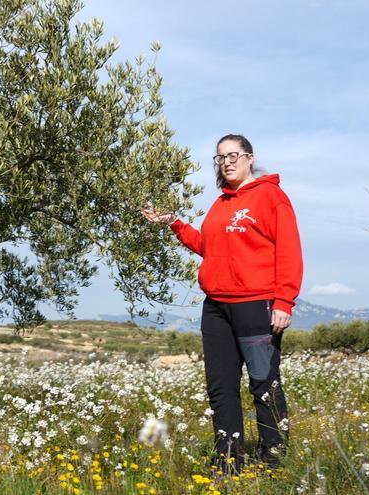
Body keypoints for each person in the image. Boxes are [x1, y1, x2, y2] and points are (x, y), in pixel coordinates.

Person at [140, 134, 303, 474]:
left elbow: (289, 250)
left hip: (256, 305)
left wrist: (284, 300)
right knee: (220, 389)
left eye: (233, 155)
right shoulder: (221, 204)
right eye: (220, 158)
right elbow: (208, 248)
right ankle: (229, 462)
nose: (227, 162)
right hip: (216, 309)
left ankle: (274, 461)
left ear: (249, 157)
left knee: (264, 384)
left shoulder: (271, 197)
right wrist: (174, 222)